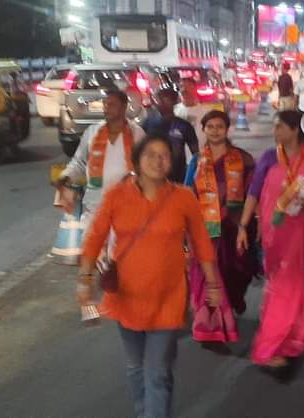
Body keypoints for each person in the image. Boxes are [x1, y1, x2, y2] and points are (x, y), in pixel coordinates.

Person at [76, 134, 220, 418]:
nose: (158, 160)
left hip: (168, 297)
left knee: (157, 370)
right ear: (137, 161)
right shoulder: (117, 196)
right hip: (126, 297)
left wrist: (212, 283)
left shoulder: (183, 197)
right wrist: (84, 283)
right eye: (151, 154)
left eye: (164, 155)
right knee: (135, 366)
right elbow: (94, 238)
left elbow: (201, 242)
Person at [236, 110, 304, 369]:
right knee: (282, 289)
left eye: (280, 127)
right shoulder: (270, 158)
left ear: (295, 130)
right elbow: (254, 193)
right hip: (275, 235)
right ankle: (269, 347)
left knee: (302, 289)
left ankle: (291, 341)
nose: (275, 131)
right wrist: (243, 225)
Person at [182, 110, 257, 345]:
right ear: (203, 130)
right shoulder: (196, 161)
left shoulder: (242, 159)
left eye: (219, 126)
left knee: (236, 273)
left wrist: (249, 222)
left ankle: (234, 299)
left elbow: (253, 192)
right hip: (204, 229)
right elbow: (187, 193)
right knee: (205, 276)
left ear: (227, 130)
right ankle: (209, 326)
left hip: (234, 228)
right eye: (210, 127)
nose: (215, 131)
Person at [56, 90, 146, 233]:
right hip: (95, 205)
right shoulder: (92, 132)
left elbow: (145, 168)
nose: (106, 108)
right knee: (92, 251)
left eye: (111, 105)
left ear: (123, 107)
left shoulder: (137, 133)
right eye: (105, 104)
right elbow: (79, 162)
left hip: (127, 205)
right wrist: (66, 177)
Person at [143, 88, 199, 184]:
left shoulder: (183, 125)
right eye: (159, 100)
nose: (161, 103)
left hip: (178, 177)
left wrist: (193, 176)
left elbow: (195, 153)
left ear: (174, 102)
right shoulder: (148, 123)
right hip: (153, 175)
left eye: (166, 100)